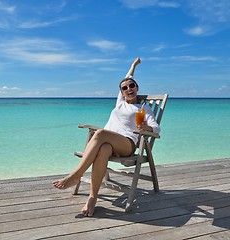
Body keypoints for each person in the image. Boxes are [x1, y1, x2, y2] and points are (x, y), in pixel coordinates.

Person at [52, 57, 160, 217]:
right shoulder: (120, 103)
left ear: (137, 87)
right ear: (122, 92)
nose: (128, 88)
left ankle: (76, 175)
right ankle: (92, 198)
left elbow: (156, 129)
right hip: (109, 144)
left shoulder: (143, 108)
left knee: (100, 133)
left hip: (127, 144)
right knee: (103, 149)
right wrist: (132, 66)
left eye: (132, 85)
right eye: (125, 88)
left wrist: (147, 127)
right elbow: (127, 76)